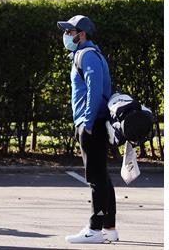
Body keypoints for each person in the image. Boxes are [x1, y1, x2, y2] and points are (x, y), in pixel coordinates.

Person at [57, 15, 119, 244]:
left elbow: (94, 91)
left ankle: (94, 228)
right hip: (93, 121)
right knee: (101, 175)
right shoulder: (91, 54)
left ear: (81, 34)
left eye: (70, 32)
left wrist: (88, 124)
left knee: (95, 177)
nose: (67, 36)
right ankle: (110, 228)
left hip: (91, 123)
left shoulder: (87, 56)